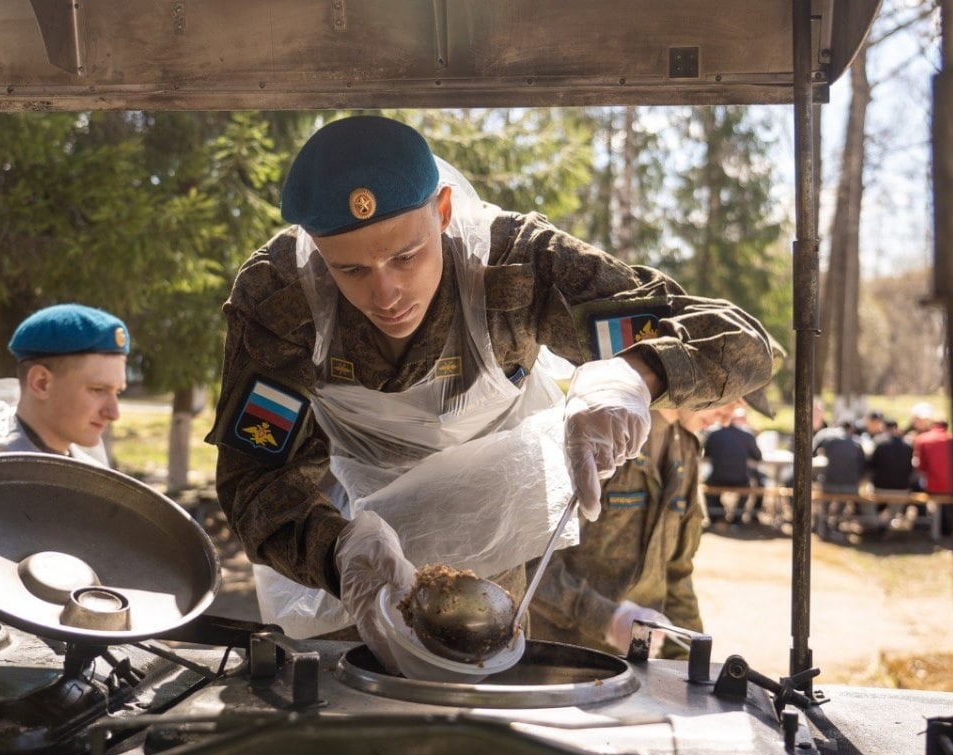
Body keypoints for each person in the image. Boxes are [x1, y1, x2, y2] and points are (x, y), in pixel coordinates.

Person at [206, 116, 774, 672]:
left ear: (444, 211)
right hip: (348, 550)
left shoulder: (516, 263)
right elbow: (255, 479)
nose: (386, 293)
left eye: (407, 255)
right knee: (346, 709)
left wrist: (635, 374)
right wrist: (337, 551)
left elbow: (740, 341)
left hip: (488, 550)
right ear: (314, 247)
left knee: (479, 695)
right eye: (351, 269)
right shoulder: (281, 296)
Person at [528, 408, 704, 658]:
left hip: (638, 664)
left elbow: (677, 572)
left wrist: (687, 663)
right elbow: (528, 560)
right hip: (559, 660)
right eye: (735, 396)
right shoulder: (598, 434)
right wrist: (605, 618)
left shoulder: (684, 450)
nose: (733, 413)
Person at [0, 304, 129, 465]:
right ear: (41, 383)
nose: (113, 413)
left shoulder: (83, 462)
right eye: (98, 390)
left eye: (117, 392)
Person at [702, 404, 762, 525]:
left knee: (707, 486)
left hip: (717, 478)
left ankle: (716, 516)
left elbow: (706, 455)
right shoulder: (747, 435)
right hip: (740, 479)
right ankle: (737, 519)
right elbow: (758, 457)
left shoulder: (713, 435)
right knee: (752, 485)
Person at [867, 418, 916, 532]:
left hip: (880, 488)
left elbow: (871, 465)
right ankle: (885, 524)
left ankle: (877, 524)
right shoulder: (907, 445)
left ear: (883, 428)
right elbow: (910, 469)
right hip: (902, 489)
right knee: (898, 498)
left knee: (865, 494)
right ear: (897, 429)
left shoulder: (878, 443)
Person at [914, 419, 953, 538]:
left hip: (932, 485)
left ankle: (920, 521)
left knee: (915, 486)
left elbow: (920, 466)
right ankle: (947, 527)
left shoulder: (922, 439)